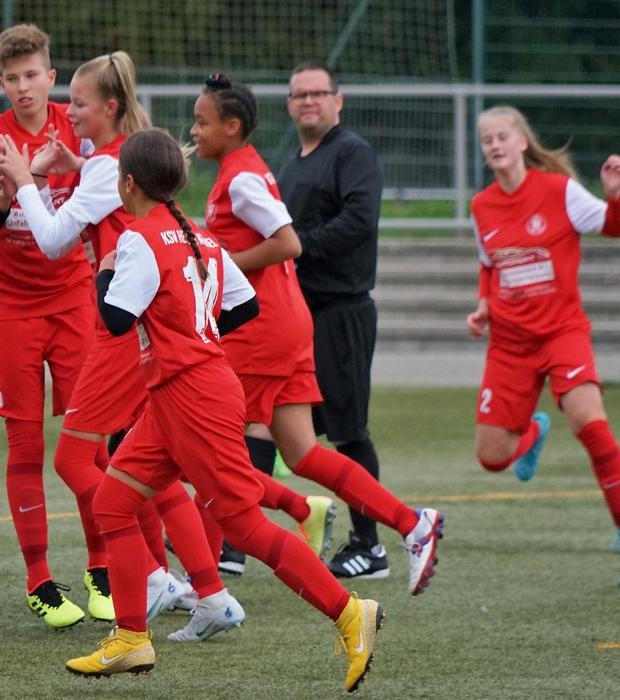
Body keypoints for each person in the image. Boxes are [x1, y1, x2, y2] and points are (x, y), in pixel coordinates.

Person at [64, 128, 383, 694]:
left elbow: (115, 320)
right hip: (183, 393)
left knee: (244, 525)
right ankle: (131, 638)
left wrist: (106, 270)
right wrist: (192, 335)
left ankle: (350, 612)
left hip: (193, 397)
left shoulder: (138, 239)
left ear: (127, 183)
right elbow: (246, 306)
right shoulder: (202, 239)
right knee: (114, 501)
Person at [0, 51, 245, 639]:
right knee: (146, 469)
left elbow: (54, 240)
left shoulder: (111, 167)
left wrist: (26, 181)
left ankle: (156, 576)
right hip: (136, 332)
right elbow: (106, 186)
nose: (69, 113)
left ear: (109, 108)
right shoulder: (113, 161)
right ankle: (207, 589)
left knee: (74, 460)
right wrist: (75, 164)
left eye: (79, 104)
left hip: (121, 332)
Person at [191, 73, 443, 596]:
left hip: (262, 330)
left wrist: (221, 265)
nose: (193, 131)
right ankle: (411, 523)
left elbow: (288, 243)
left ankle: (204, 584)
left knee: (215, 453)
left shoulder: (242, 178)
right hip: (287, 322)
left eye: (201, 121)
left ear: (231, 127)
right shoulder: (243, 171)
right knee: (302, 453)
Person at [0, 25, 106, 629]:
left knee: (90, 443)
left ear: (51, 77)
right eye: (12, 78)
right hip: (11, 306)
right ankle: (40, 579)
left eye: (32, 75)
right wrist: (9, 190)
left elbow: (108, 190)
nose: (23, 87)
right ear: (2, 83)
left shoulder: (76, 125)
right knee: (25, 447)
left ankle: (102, 568)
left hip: (73, 298)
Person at [467, 105, 620, 551]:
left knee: (592, 428)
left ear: (522, 142)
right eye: (487, 140)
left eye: (502, 137)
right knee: (492, 456)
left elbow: (614, 226)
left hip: (561, 333)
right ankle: (533, 432)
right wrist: (483, 306)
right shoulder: (481, 205)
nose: (495, 145)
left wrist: (614, 195)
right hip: (509, 345)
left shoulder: (560, 191)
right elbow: (488, 263)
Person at [274, 59, 390, 581]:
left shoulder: (352, 153)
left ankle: (370, 546)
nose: (308, 101)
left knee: (348, 431)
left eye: (318, 93)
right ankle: (236, 536)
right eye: (300, 94)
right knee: (270, 422)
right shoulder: (293, 163)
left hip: (341, 312)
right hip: (298, 315)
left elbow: (359, 220)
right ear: (289, 104)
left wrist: (295, 249)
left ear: (337, 101)